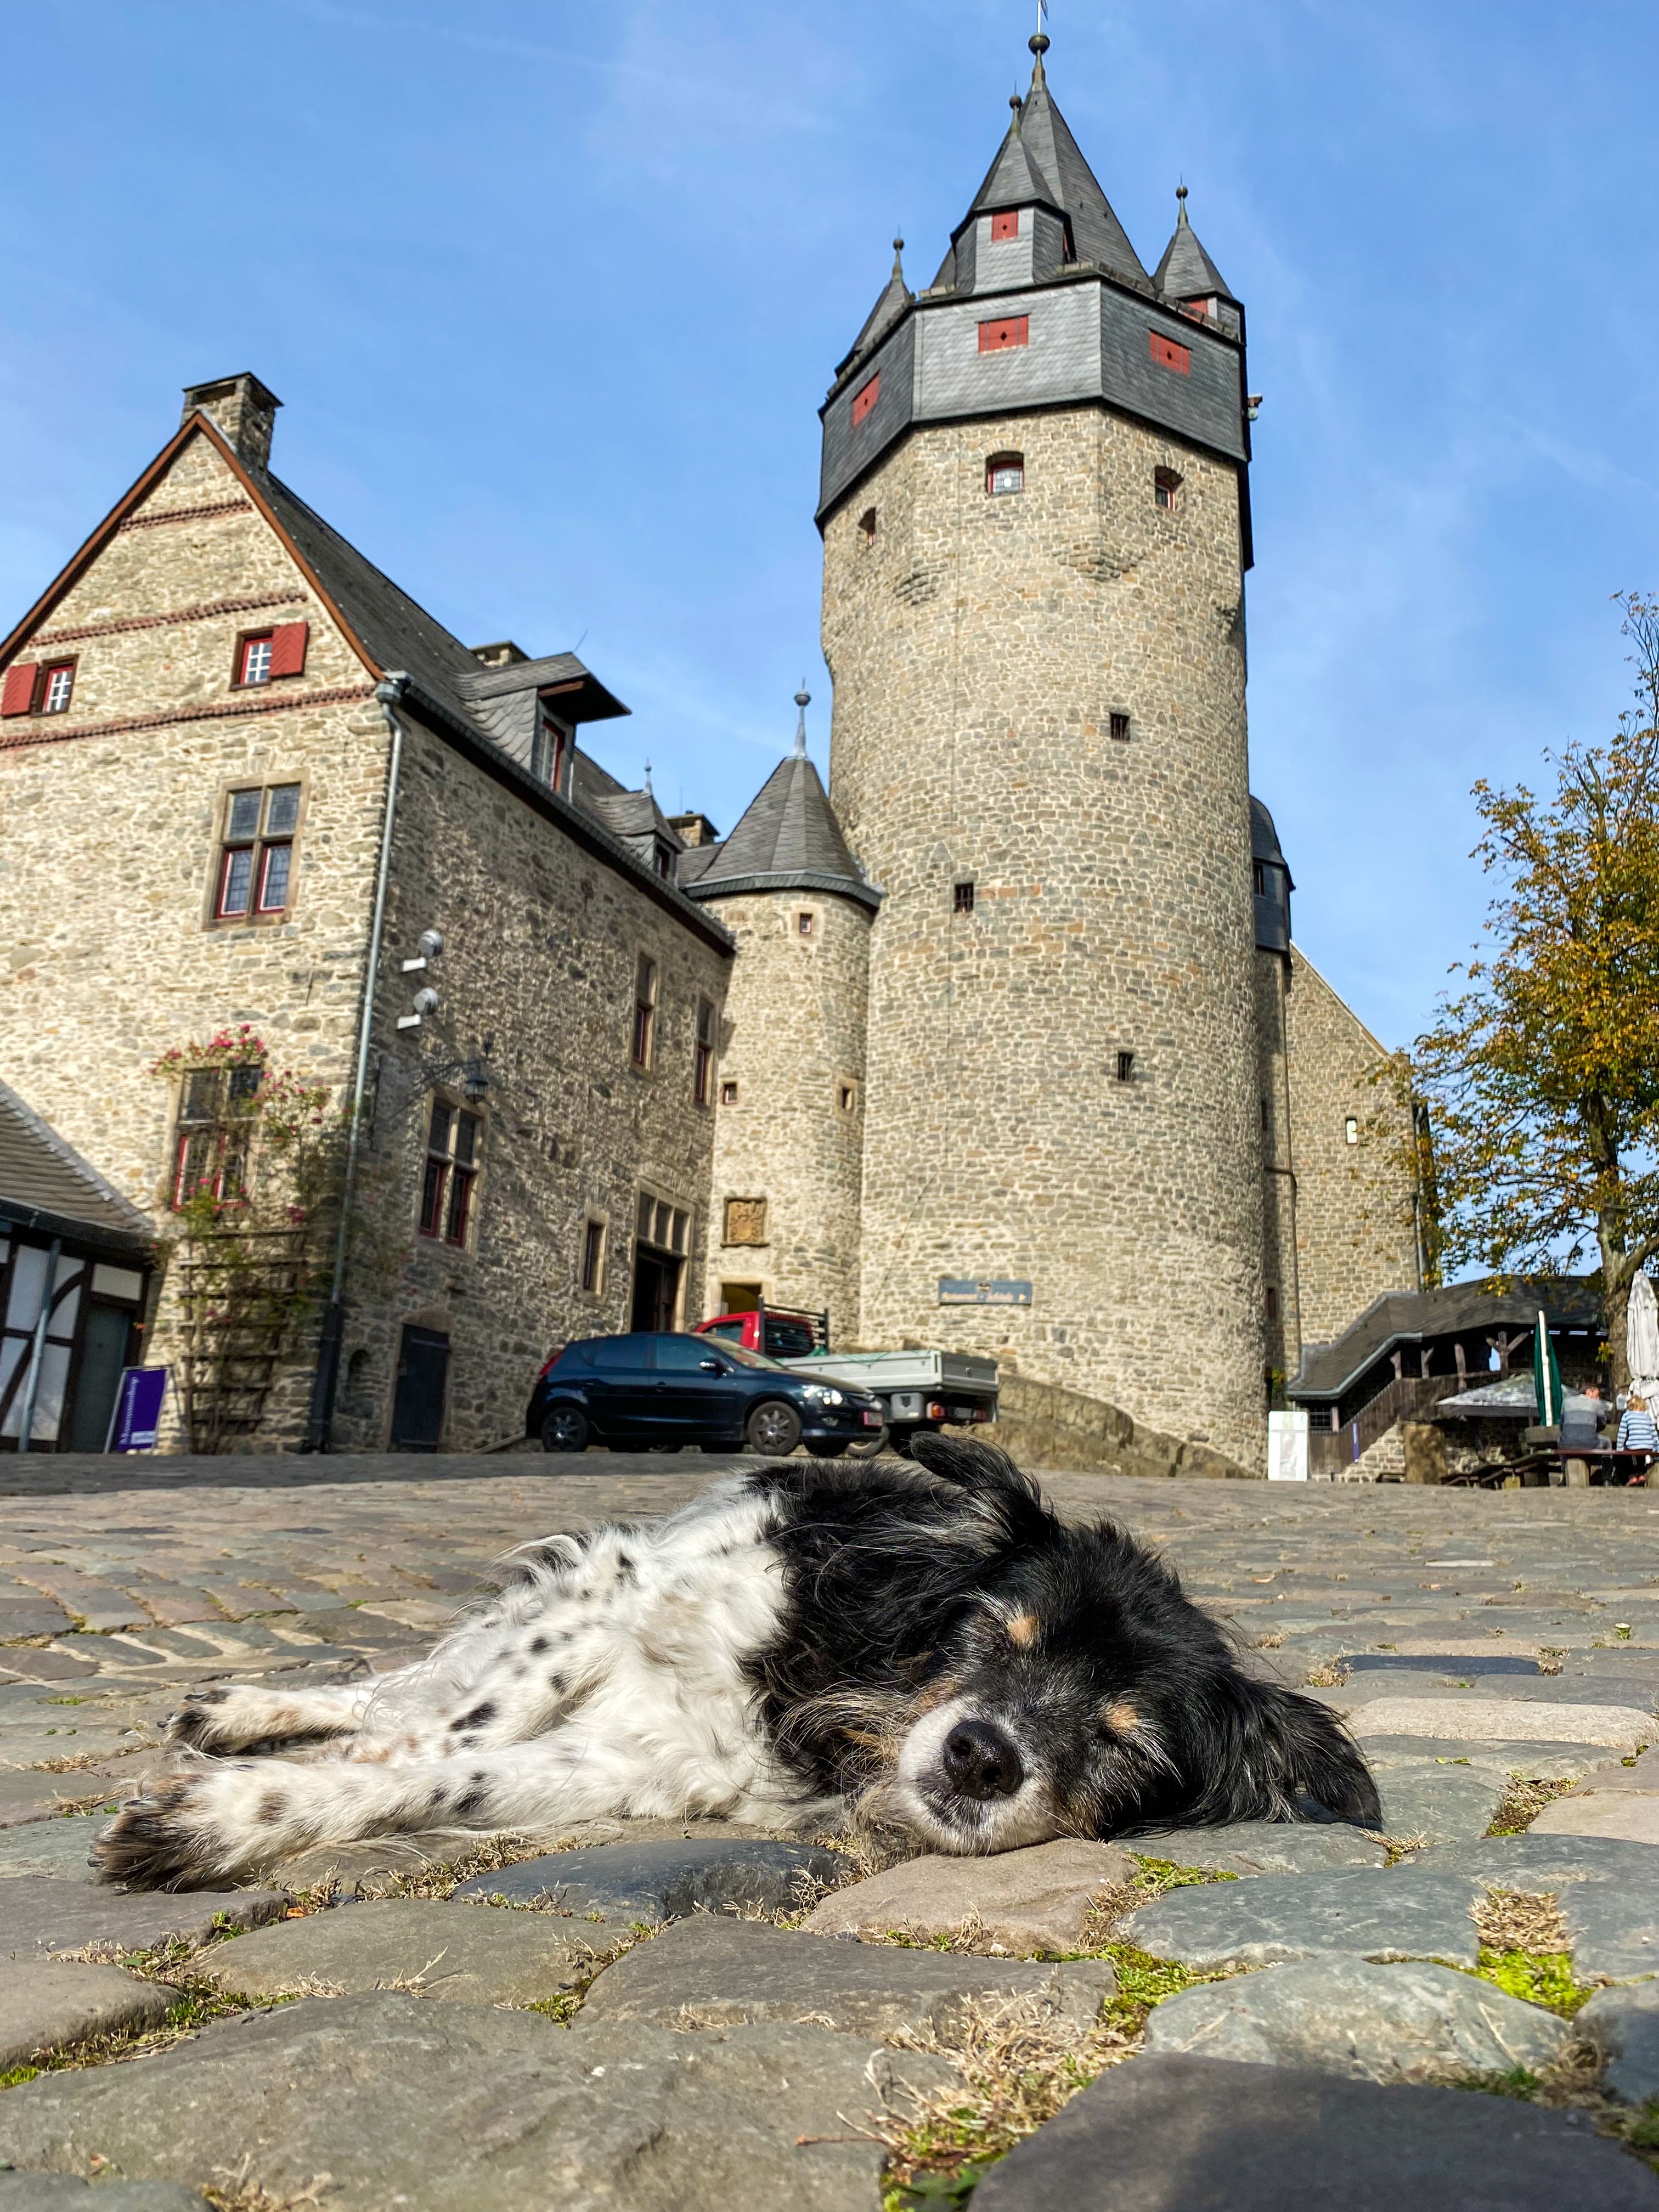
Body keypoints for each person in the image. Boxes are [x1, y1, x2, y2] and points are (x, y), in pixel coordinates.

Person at [1616, 1393, 1659, 1484]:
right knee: (1641, 1455)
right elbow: (1654, 1434)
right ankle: (1642, 1474)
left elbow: (1622, 1433)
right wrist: (1657, 1448)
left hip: (1634, 1445)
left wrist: (1619, 1448)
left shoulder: (1627, 1415)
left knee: (1627, 1453)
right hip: (1648, 1445)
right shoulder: (1647, 1417)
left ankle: (1632, 1476)